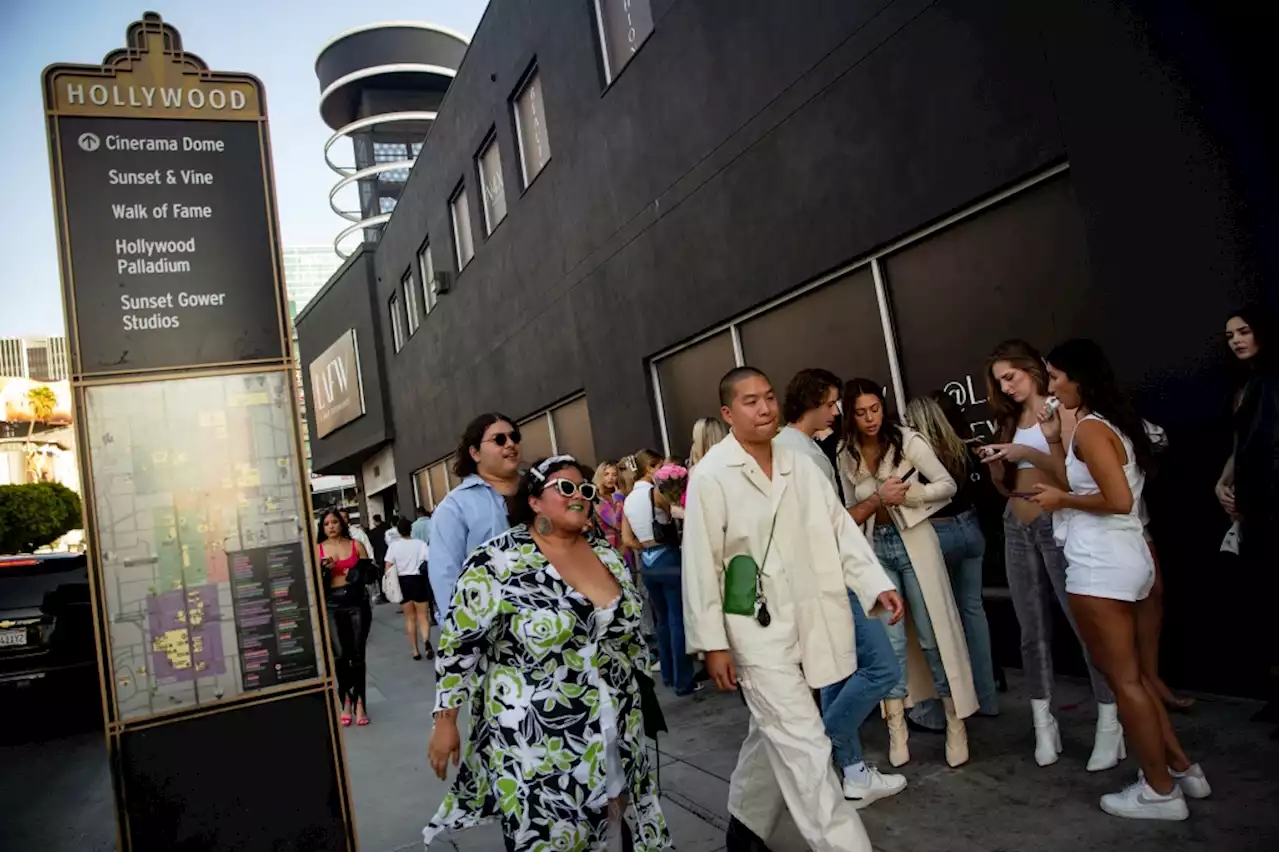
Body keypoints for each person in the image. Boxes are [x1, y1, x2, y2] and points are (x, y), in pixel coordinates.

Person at [683, 367, 904, 852]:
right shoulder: (711, 474)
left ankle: (746, 828)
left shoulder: (798, 461)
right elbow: (699, 562)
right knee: (805, 748)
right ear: (728, 413)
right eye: (749, 401)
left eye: (767, 398)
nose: (763, 408)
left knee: (775, 731)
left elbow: (836, 528)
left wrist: (872, 582)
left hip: (810, 616)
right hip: (753, 630)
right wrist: (711, 643)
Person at [425, 455, 670, 851]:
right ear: (534, 501)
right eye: (565, 488)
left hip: (615, 723)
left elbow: (627, 636)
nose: (580, 497)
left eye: (586, 490)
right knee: (550, 835)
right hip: (536, 739)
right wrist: (446, 719)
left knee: (615, 823)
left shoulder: (606, 556)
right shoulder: (496, 561)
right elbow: (458, 645)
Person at [1027, 339, 1209, 820]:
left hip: (1102, 565)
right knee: (1138, 678)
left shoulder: (1089, 428)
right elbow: (1101, 488)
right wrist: (1050, 439)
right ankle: (1182, 771)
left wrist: (1059, 502)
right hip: (1125, 559)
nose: (1050, 385)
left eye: (1055, 376)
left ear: (1079, 378)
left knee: (1125, 682)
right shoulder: (1103, 425)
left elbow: (1117, 500)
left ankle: (1159, 790)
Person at [981, 339, 1121, 770]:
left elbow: (1072, 479)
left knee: (1083, 624)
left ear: (1034, 369)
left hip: (1056, 524)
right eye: (1000, 381)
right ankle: (1044, 725)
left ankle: (1111, 722)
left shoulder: (1060, 412)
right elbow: (1007, 487)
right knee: (1030, 630)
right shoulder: (1009, 420)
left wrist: (1028, 451)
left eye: (1012, 376)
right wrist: (997, 465)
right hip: (1015, 522)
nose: (1006, 387)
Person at [778, 368, 904, 806]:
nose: (838, 411)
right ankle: (819, 749)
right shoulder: (794, 453)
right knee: (882, 670)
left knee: (836, 674)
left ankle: (851, 772)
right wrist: (877, 501)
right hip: (829, 578)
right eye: (831, 402)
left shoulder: (800, 448)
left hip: (828, 577)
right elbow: (831, 527)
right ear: (809, 401)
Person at [837, 379, 976, 769]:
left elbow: (948, 484)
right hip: (875, 549)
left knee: (935, 636)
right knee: (890, 643)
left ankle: (955, 723)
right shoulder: (845, 453)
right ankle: (896, 726)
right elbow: (850, 511)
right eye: (860, 412)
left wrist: (912, 496)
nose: (869, 419)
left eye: (875, 409)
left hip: (914, 539)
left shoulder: (908, 440)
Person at [904, 395, 1000, 727]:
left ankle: (950, 706)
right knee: (973, 612)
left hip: (939, 533)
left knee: (939, 623)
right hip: (971, 529)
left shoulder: (917, 455)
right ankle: (987, 698)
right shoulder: (963, 448)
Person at [1218, 308, 1280, 730]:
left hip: (1270, 512)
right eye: (1230, 335)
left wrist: (1253, 500)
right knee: (1267, 609)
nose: (1237, 340)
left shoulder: (1272, 382)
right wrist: (1223, 481)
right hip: (1256, 514)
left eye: (1244, 331)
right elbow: (1244, 444)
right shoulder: (1249, 384)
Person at [427, 413, 522, 612]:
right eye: (499, 439)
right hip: (496, 622)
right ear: (475, 453)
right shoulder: (455, 507)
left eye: (514, 437)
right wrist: (458, 634)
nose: (510, 444)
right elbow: (446, 577)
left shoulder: (541, 490)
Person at [625, 449, 696, 695]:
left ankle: (666, 673)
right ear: (650, 469)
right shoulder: (656, 492)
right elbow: (676, 513)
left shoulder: (627, 499)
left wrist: (646, 546)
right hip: (668, 556)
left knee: (662, 620)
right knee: (677, 619)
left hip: (647, 562)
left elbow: (627, 538)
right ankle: (683, 680)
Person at [317, 510, 372, 727]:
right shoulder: (318, 549)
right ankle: (345, 701)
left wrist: (354, 572)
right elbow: (311, 582)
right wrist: (323, 571)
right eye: (326, 524)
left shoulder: (356, 545)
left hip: (357, 603)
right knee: (340, 656)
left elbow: (371, 574)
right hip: (332, 604)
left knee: (358, 655)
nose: (331, 527)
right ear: (322, 528)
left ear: (342, 524)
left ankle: (360, 703)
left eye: (334, 522)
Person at [384, 517, 435, 660]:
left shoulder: (394, 546)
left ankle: (415, 651)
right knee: (423, 616)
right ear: (411, 529)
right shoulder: (420, 544)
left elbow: (388, 566)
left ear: (398, 531)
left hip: (403, 582)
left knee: (410, 618)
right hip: (418, 580)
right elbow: (430, 559)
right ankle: (426, 641)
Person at [594, 460, 627, 552]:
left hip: (625, 545)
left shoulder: (619, 494)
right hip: (610, 547)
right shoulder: (598, 499)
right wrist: (619, 500)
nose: (610, 478)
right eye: (606, 474)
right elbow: (617, 524)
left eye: (614, 475)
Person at [368, 513, 392, 605]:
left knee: (381, 577)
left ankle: (383, 595)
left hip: (379, 556)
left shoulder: (373, 532)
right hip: (389, 554)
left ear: (374, 521)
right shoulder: (387, 528)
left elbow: (371, 545)